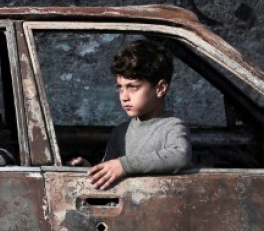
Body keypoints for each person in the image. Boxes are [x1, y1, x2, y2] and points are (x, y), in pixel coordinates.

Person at [69, 39, 191, 189]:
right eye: (120, 88)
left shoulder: (171, 126)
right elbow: (110, 170)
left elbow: (179, 156)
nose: (124, 96)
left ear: (160, 88)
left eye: (132, 87)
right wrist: (91, 170)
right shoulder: (120, 132)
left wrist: (124, 165)